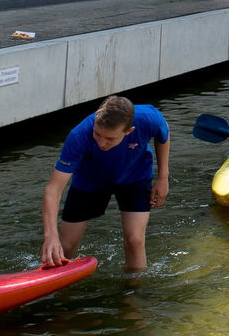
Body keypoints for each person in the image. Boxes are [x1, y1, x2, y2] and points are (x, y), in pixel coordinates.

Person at [41, 96, 170, 270]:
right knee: (64, 246)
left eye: (110, 138)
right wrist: (50, 237)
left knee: (135, 240)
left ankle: (134, 292)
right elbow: (53, 190)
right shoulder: (78, 135)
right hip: (90, 181)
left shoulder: (149, 118)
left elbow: (163, 135)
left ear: (129, 131)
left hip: (135, 176)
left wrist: (163, 177)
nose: (101, 142)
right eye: (97, 134)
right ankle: (57, 290)